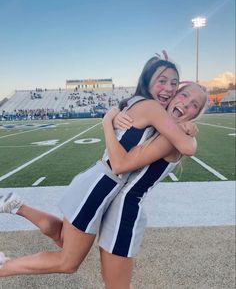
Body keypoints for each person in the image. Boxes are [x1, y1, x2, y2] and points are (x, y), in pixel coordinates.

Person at [0, 54, 199, 280]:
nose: (169, 88)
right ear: (147, 80)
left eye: (174, 83)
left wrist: (110, 118)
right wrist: (107, 122)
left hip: (96, 182)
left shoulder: (140, 104)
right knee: (67, 262)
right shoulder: (152, 107)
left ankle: (17, 206)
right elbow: (185, 147)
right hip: (100, 186)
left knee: (63, 238)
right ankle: (4, 266)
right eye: (161, 80)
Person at [98, 82, 208, 288]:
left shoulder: (173, 138)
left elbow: (120, 166)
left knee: (116, 286)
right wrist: (114, 113)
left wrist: (107, 123)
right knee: (109, 279)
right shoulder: (160, 125)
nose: (186, 104)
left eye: (194, 105)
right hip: (113, 208)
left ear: (195, 115)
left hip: (124, 212)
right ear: (174, 96)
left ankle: (19, 208)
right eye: (183, 96)